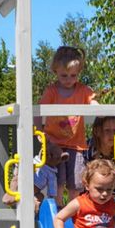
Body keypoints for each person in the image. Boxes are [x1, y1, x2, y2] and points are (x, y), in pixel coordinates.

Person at [37, 46, 97, 203]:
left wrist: (96, 106)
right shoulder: (52, 91)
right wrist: (38, 133)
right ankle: (57, 205)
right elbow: (38, 112)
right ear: (55, 72)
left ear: (79, 73)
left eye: (73, 75)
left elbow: (92, 101)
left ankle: (73, 207)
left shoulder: (83, 90)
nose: (69, 79)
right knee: (58, 178)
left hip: (75, 144)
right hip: (54, 143)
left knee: (76, 180)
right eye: (64, 75)